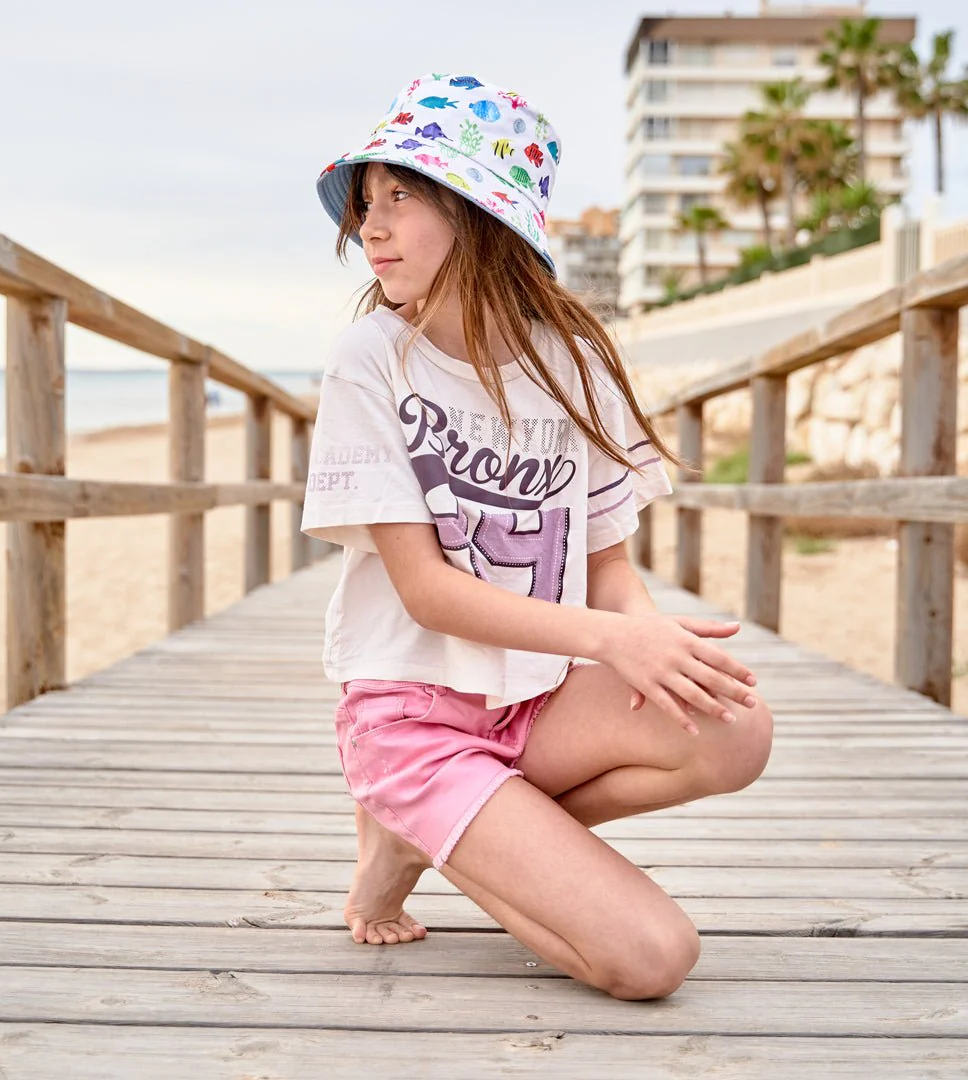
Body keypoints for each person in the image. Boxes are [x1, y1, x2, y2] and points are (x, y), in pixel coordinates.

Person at [301, 72, 773, 1001]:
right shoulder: (370, 360)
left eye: (402, 196)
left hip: (535, 701)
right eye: (365, 204)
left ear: (482, 217)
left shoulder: (575, 359)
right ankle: (416, 823)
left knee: (734, 729)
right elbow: (427, 593)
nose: (373, 227)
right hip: (415, 715)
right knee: (651, 960)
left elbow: (606, 566)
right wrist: (611, 640)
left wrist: (654, 645)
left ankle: (426, 831)